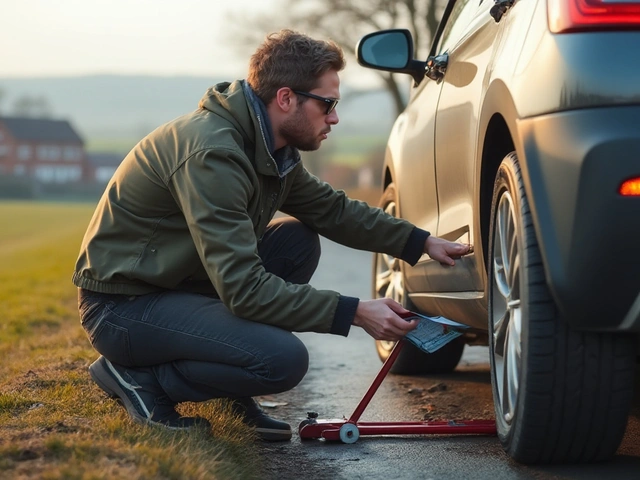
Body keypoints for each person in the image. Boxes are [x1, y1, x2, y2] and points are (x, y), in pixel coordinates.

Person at [73, 29, 470, 441]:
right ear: (285, 99)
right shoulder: (215, 154)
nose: (334, 117)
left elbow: (332, 210)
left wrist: (420, 242)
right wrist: (355, 311)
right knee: (282, 360)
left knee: (296, 242)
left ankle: (231, 389)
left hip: (175, 287)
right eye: (328, 104)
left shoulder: (267, 147)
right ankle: (142, 381)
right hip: (124, 308)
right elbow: (244, 289)